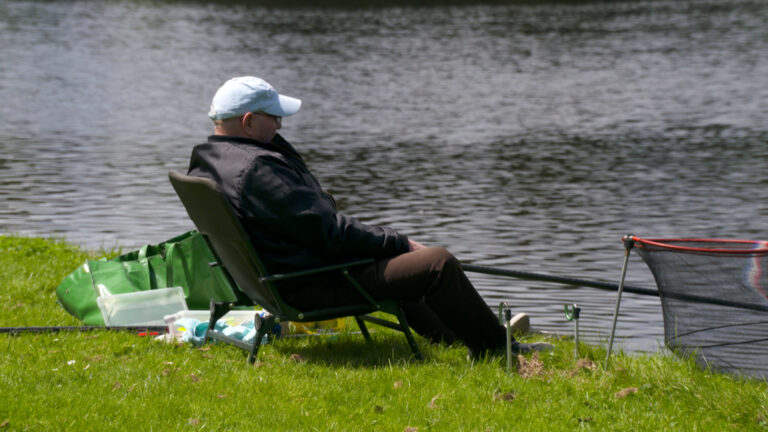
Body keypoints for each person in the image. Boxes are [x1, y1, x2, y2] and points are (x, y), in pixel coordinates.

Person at [187, 76, 550, 356]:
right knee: (436, 263)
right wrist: (401, 241)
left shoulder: (212, 158)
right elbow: (331, 234)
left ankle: (463, 336)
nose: (281, 126)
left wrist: (388, 246)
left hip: (277, 280)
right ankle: (497, 350)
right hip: (310, 283)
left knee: (399, 261)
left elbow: (315, 227)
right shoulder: (258, 170)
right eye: (274, 118)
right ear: (248, 123)